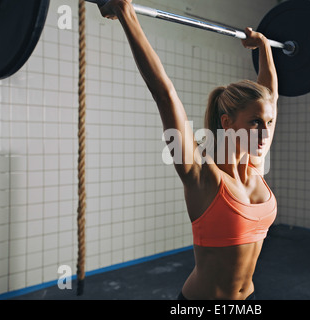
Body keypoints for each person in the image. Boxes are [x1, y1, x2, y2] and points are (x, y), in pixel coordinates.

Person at [98, 0, 278, 300]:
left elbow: (270, 95)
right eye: (256, 122)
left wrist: (264, 47)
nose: (266, 131)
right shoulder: (202, 175)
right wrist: (125, 13)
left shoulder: (255, 164)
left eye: (269, 122)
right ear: (227, 123)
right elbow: (164, 92)